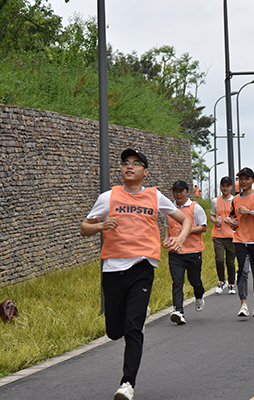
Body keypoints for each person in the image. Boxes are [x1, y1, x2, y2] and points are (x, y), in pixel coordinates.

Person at [80, 149, 192, 400]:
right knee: (114, 331)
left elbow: (184, 221)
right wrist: (100, 225)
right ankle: (138, 316)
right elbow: (84, 228)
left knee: (132, 328)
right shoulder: (108, 197)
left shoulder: (155, 196)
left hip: (142, 267)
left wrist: (180, 238)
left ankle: (127, 384)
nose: (129, 167)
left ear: (145, 171)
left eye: (136, 164)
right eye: (125, 163)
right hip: (112, 269)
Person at [225, 167, 254, 317]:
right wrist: (230, 221)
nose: (243, 182)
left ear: (252, 181)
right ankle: (243, 304)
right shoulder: (236, 199)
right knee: (243, 271)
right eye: (241, 179)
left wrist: (250, 212)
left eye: (247, 179)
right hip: (240, 240)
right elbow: (234, 217)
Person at [164, 180, 207, 325]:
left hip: (193, 251)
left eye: (180, 191)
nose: (177, 194)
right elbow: (166, 225)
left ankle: (199, 295)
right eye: (175, 191)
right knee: (177, 282)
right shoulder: (169, 209)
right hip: (175, 252)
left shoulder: (195, 208)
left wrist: (187, 230)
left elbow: (203, 228)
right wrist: (166, 239)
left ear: (187, 192)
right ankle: (178, 311)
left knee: (195, 281)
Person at [210, 176, 237, 295]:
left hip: (232, 236)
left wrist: (231, 221)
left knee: (230, 262)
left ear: (232, 187)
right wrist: (215, 221)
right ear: (220, 187)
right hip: (218, 235)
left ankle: (231, 284)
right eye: (223, 186)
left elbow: (238, 219)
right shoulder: (215, 201)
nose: (225, 188)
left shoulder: (235, 201)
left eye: (227, 186)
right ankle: (221, 280)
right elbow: (212, 215)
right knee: (219, 259)